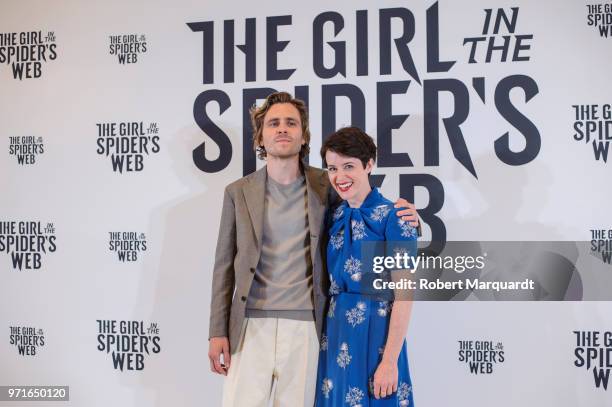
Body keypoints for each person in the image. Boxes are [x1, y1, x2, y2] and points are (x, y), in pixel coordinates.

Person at [208, 92, 420, 407]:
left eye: (291, 123)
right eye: (273, 123)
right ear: (261, 135)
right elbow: (223, 265)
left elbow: (376, 213)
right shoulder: (238, 193)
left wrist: (412, 222)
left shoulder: (327, 186)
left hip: (311, 326)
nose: (282, 129)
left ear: (303, 134)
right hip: (255, 326)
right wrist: (216, 330)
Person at [315, 127, 416, 407]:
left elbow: (405, 294)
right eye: (333, 168)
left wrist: (390, 361)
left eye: (349, 166)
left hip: (378, 335)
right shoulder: (331, 215)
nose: (340, 176)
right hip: (334, 335)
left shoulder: (394, 216)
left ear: (369, 165)